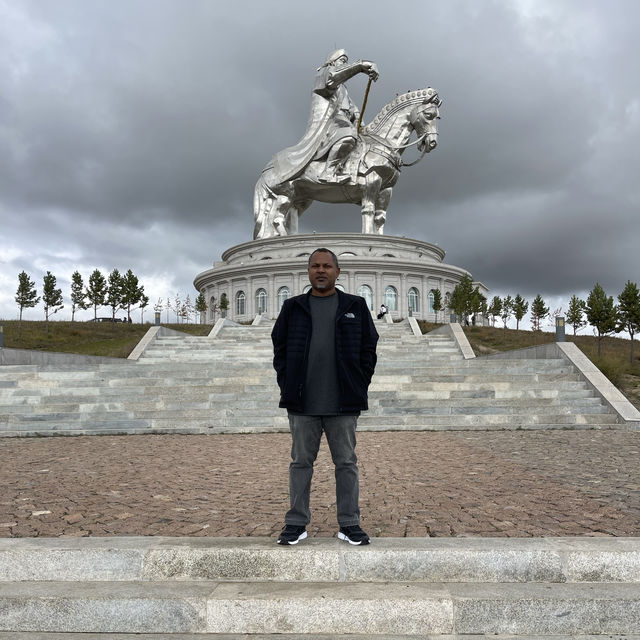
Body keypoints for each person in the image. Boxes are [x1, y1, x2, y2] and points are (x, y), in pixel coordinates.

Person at [271, 248, 379, 545]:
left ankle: (349, 523)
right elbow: (279, 348)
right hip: (303, 403)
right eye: (315, 266)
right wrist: (287, 382)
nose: (321, 270)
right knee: (300, 464)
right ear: (308, 271)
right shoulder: (293, 308)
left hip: (343, 402)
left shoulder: (355, 305)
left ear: (337, 271)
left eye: (327, 266)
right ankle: (296, 523)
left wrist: (359, 384)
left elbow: (369, 348)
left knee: (346, 463)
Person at [267, 49, 379, 187]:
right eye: (343, 61)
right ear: (332, 61)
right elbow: (332, 79)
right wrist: (360, 66)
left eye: (346, 62)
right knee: (348, 135)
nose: (345, 64)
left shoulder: (343, 88)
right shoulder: (324, 74)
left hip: (342, 121)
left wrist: (360, 121)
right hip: (330, 123)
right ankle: (329, 172)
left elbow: (352, 108)